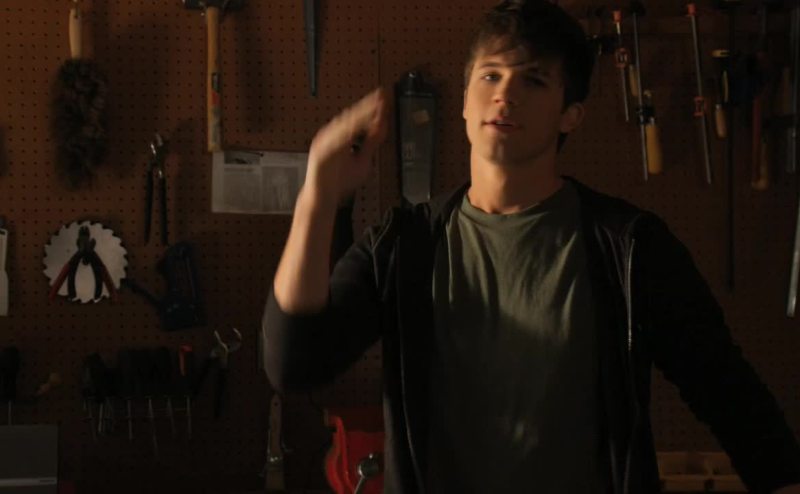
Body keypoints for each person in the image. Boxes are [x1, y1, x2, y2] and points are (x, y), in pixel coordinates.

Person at [262, 1, 800, 492]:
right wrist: (319, 194)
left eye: (534, 79)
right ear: (465, 103)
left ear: (571, 114)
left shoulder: (630, 248)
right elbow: (295, 364)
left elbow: (728, 392)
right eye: (490, 75)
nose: (505, 93)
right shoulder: (405, 246)